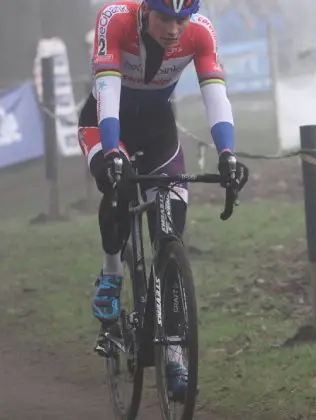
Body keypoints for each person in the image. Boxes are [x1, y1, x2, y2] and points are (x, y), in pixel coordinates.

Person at [77, 0, 249, 401]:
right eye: (165, 19)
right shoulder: (116, 19)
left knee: (170, 230)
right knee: (117, 186)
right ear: (145, 10)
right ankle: (111, 274)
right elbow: (107, 89)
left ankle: (174, 351)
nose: (174, 29)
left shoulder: (200, 31)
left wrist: (228, 155)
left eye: (181, 20)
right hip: (106, 121)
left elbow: (216, 94)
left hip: (158, 133)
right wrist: (112, 152)